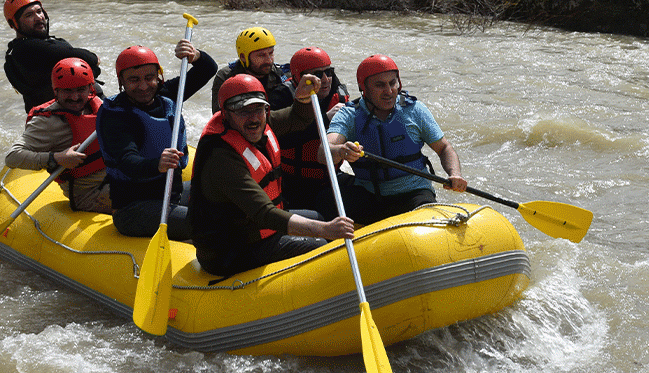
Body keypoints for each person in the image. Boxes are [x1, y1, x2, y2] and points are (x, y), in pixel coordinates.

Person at [190, 73, 355, 277]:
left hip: (256, 232)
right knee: (318, 243)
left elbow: (296, 119)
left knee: (317, 216)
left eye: (258, 108)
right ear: (226, 114)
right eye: (243, 110)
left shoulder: (260, 123)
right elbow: (264, 214)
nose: (252, 117)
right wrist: (325, 229)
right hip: (230, 251)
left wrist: (302, 99)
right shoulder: (222, 159)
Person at [324, 54, 467, 227]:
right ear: (364, 88)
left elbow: (444, 148)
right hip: (369, 193)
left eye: (392, 83)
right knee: (324, 201)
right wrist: (340, 151)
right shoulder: (349, 114)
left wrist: (455, 174)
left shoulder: (415, 110)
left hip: (413, 193)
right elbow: (324, 151)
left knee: (427, 220)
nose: (389, 90)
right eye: (379, 85)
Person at [97, 39, 217, 240]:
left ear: (158, 77)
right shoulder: (115, 116)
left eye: (150, 77)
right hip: (133, 209)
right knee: (206, 221)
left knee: (225, 193)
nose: (143, 86)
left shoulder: (166, 96)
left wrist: (194, 55)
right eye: (134, 80)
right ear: (121, 82)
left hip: (172, 194)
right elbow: (127, 161)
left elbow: (207, 69)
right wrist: (157, 165)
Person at [4, 58, 112, 214]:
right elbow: (12, 156)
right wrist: (55, 158)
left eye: (80, 90)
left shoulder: (98, 105)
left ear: (90, 88)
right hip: (89, 194)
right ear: (56, 91)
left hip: (115, 178)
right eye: (67, 91)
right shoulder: (46, 122)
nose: (74, 97)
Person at [276, 47, 352, 219]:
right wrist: (325, 119)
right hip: (293, 183)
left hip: (329, 178)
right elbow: (285, 141)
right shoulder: (282, 96)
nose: (325, 80)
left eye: (329, 72)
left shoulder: (338, 93)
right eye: (317, 75)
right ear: (298, 78)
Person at [2, 0, 104, 111]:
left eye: (39, 12)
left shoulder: (43, 43)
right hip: (58, 120)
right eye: (29, 15)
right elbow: (91, 59)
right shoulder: (26, 49)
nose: (38, 17)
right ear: (14, 24)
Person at [210, 26, 293, 113]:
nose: (269, 60)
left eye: (271, 53)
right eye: (261, 55)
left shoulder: (283, 75)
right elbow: (219, 117)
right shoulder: (225, 77)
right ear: (243, 57)